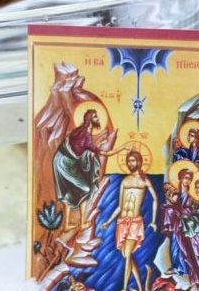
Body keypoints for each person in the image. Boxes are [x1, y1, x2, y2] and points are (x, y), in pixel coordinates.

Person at [53, 109, 124, 231]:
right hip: (66, 163)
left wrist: (97, 146)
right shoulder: (86, 135)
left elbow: (81, 147)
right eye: (95, 117)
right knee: (86, 189)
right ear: (90, 120)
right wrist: (121, 149)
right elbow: (104, 153)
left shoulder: (81, 130)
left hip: (61, 159)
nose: (98, 119)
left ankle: (67, 225)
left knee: (70, 191)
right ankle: (82, 224)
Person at [101, 150, 158, 291]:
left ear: (139, 162)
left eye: (133, 160)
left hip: (134, 222)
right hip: (122, 222)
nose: (130, 163)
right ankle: (140, 287)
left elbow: (155, 199)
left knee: (127, 255)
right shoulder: (125, 181)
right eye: (128, 161)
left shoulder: (144, 180)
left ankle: (124, 288)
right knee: (127, 255)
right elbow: (120, 206)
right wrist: (108, 221)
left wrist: (153, 221)